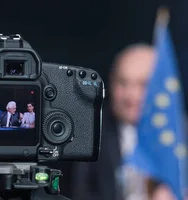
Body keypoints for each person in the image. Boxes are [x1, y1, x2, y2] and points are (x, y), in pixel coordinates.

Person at [71, 44, 173, 200]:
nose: (131, 95)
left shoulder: (180, 133)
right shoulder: (90, 133)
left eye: (143, 84)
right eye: (122, 83)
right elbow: (78, 193)